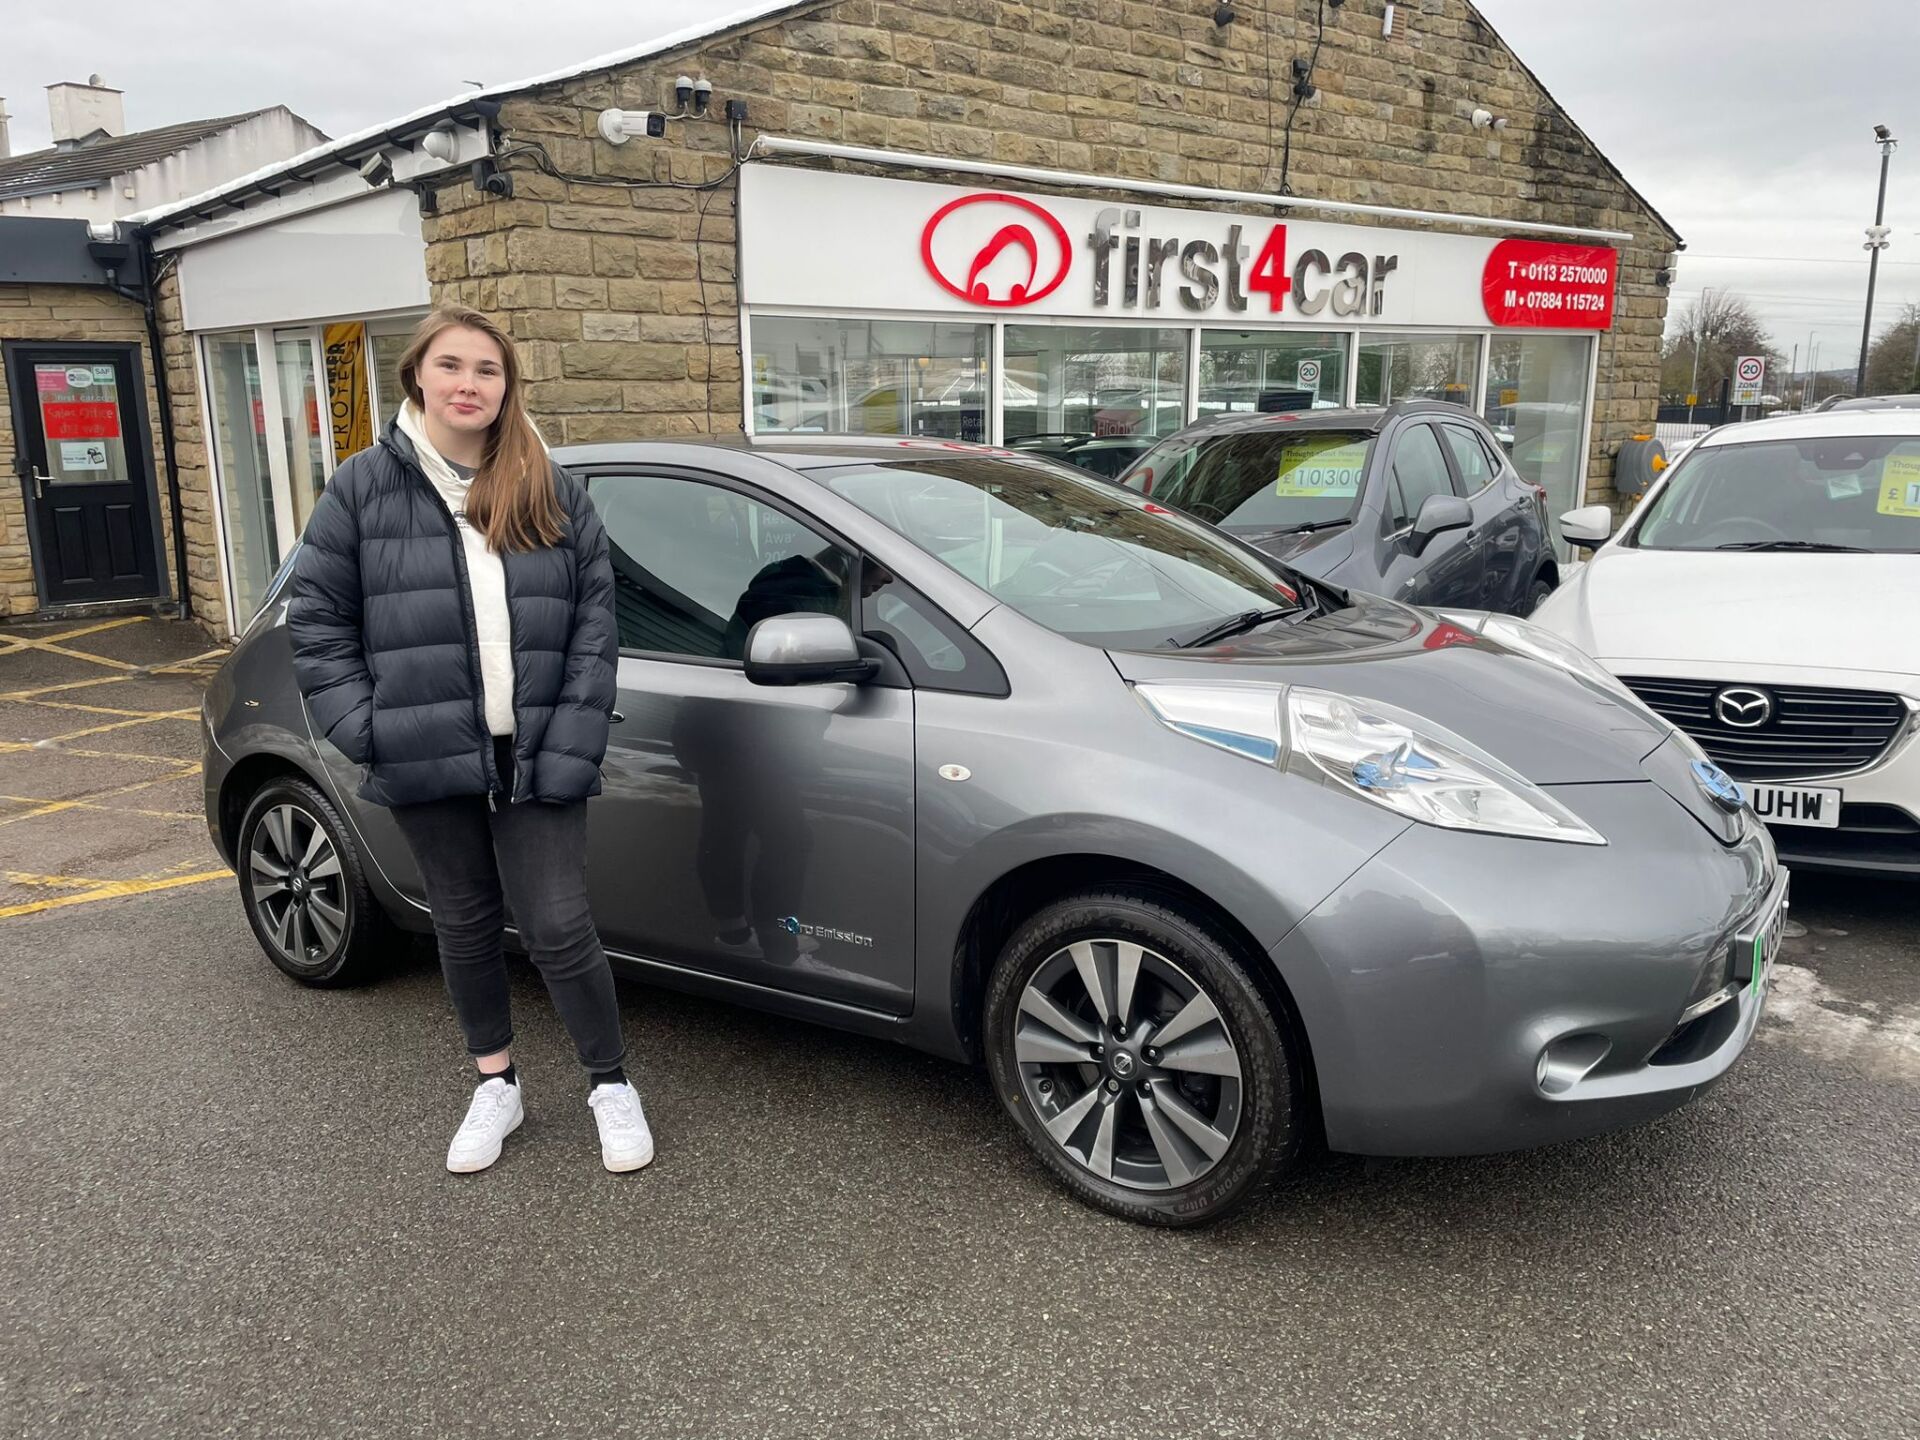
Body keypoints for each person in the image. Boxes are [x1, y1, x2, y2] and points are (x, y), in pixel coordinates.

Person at [287, 305, 651, 1176]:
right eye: (451, 366)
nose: (468, 384)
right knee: (463, 923)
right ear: (418, 375)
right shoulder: (362, 490)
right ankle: (497, 1082)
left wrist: (574, 732)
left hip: (533, 750)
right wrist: (368, 731)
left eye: (486, 370)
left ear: (506, 384)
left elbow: (596, 625)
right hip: (421, 747)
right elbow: (318, 625)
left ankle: (610, 1084)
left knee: (561, 927)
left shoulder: (550, 487)